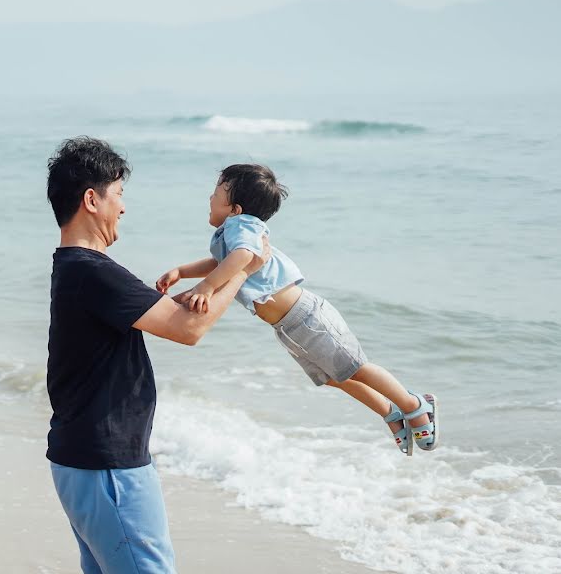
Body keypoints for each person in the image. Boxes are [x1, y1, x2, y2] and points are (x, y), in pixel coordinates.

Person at [45, 137, 268, 574]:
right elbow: (190, 329)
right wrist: (245, 270)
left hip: (83, 463)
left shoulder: (74, 268)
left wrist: (201, 280)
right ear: (92, 199)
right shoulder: (95, 273)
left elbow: (177, 315)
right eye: (119, 195)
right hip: (107, 468)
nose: (123, 207)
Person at [156, 164, 438, 456]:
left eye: (215, 193)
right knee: (335, 378)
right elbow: (223, 264)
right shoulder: (231, 235)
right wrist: (183, 272)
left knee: (358, 369)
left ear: (235, 209)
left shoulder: (242, 227)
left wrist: (206, 288)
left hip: (307, 318)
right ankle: (390, 412)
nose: (209, 198)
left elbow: (243, 257)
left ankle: (415, 406)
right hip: (288, 327)